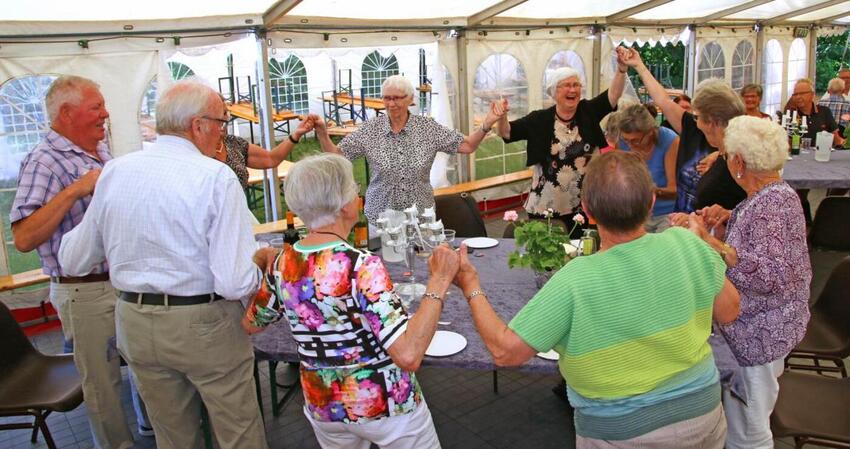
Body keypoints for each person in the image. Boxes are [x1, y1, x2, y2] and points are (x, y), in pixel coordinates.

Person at [455, 151, 739, 448]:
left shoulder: (576, 278)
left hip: (623, 431)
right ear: (651, 202)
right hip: (704, 412)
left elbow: (505, 352)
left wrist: (471, 285)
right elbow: (730, 310)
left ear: (587, 210)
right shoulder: (687, 243)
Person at [57, 79, 270, 449]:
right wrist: (263, 266)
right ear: (198, 125)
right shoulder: (215, 176)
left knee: (172, 436)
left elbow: (73, 258)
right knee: (238, 433)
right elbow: (235, 282)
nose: (223, 133)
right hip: (204, 322)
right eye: (222, 122)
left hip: (135, 322)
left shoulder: (116, 171)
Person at [244, 153, 459, 449]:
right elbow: (408, 354)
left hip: (323, 403)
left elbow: (252, 324)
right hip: (384, 404)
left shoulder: (283, 262)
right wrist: (439, 280)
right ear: (346, 205)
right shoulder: (360, 265)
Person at [9, 75, 152, 448]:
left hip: (121, 283)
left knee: (145, 366)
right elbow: (24, 237)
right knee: (102, 385)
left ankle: (148, 430)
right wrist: (75, 189)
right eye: (97, 107)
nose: (105, 114)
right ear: (68, 113)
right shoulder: (44, 161)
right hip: (84, 292)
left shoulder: (99, 152)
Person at [675, 116, 811, 449]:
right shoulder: (774, 194)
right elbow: (762, 244)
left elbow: (772, 275)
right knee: (745, 419)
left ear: (738, 161)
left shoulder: (772, 204)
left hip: (759, 335)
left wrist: (712, 243)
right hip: (769, 328)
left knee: (749, 431)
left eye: (725, 155)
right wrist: (730, 219)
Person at [313, 74, 501, 223]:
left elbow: (467, 145)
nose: (391, 104)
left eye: (397, 98)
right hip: (381, 219)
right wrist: (322, 133)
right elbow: (336, 156)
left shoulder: (428, 128)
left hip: (420, 218)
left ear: (410, 99)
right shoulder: (371, 129)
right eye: (387, 98)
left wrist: (486, 124)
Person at [491, 64, 627, 237]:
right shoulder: (539, 119)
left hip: (582, 206)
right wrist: (502, 117)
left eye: (576, 85)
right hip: (545, 207)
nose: (573, 89)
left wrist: (621, 71)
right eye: (567, 85)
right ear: (554, 92)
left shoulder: (588, 111)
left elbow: (613, 96)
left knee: (579, 253)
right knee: (548, 257)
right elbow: (506, 132)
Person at [619, 47, 745, 213]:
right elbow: (663, 101)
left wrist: (721, 155)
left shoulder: (740, 149)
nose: (694, 118)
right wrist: (639, 66)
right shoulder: (694, 130)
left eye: (697, 115)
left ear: (712, 120)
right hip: (684, 223)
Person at [214, 97, 316, 191]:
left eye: (227, 113)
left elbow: (271, 159)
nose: (227, 118)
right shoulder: (199, 153)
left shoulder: (233, 143)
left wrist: (296, 135)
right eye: (222, 114)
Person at [785, 78, 844, 223]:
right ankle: (807, 224)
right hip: (799, 163)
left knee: (841, 185)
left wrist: (843, 142)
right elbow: (785, 141)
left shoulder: (824, 112)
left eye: (801, 93)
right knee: (798, 192)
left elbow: (836, 138)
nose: (798, 97)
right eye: (795, 94)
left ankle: (825, 214)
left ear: (812, 94)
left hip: (823, 160)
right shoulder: (790, 115)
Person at [617, 103, 679, 232]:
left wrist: (652, 191)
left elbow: (674, 190)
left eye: (635, 140)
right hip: (635, 214)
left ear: (650, 132)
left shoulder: (669, 140)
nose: (630, 145)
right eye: (626, 140)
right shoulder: (622, 142)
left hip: (666, 214)